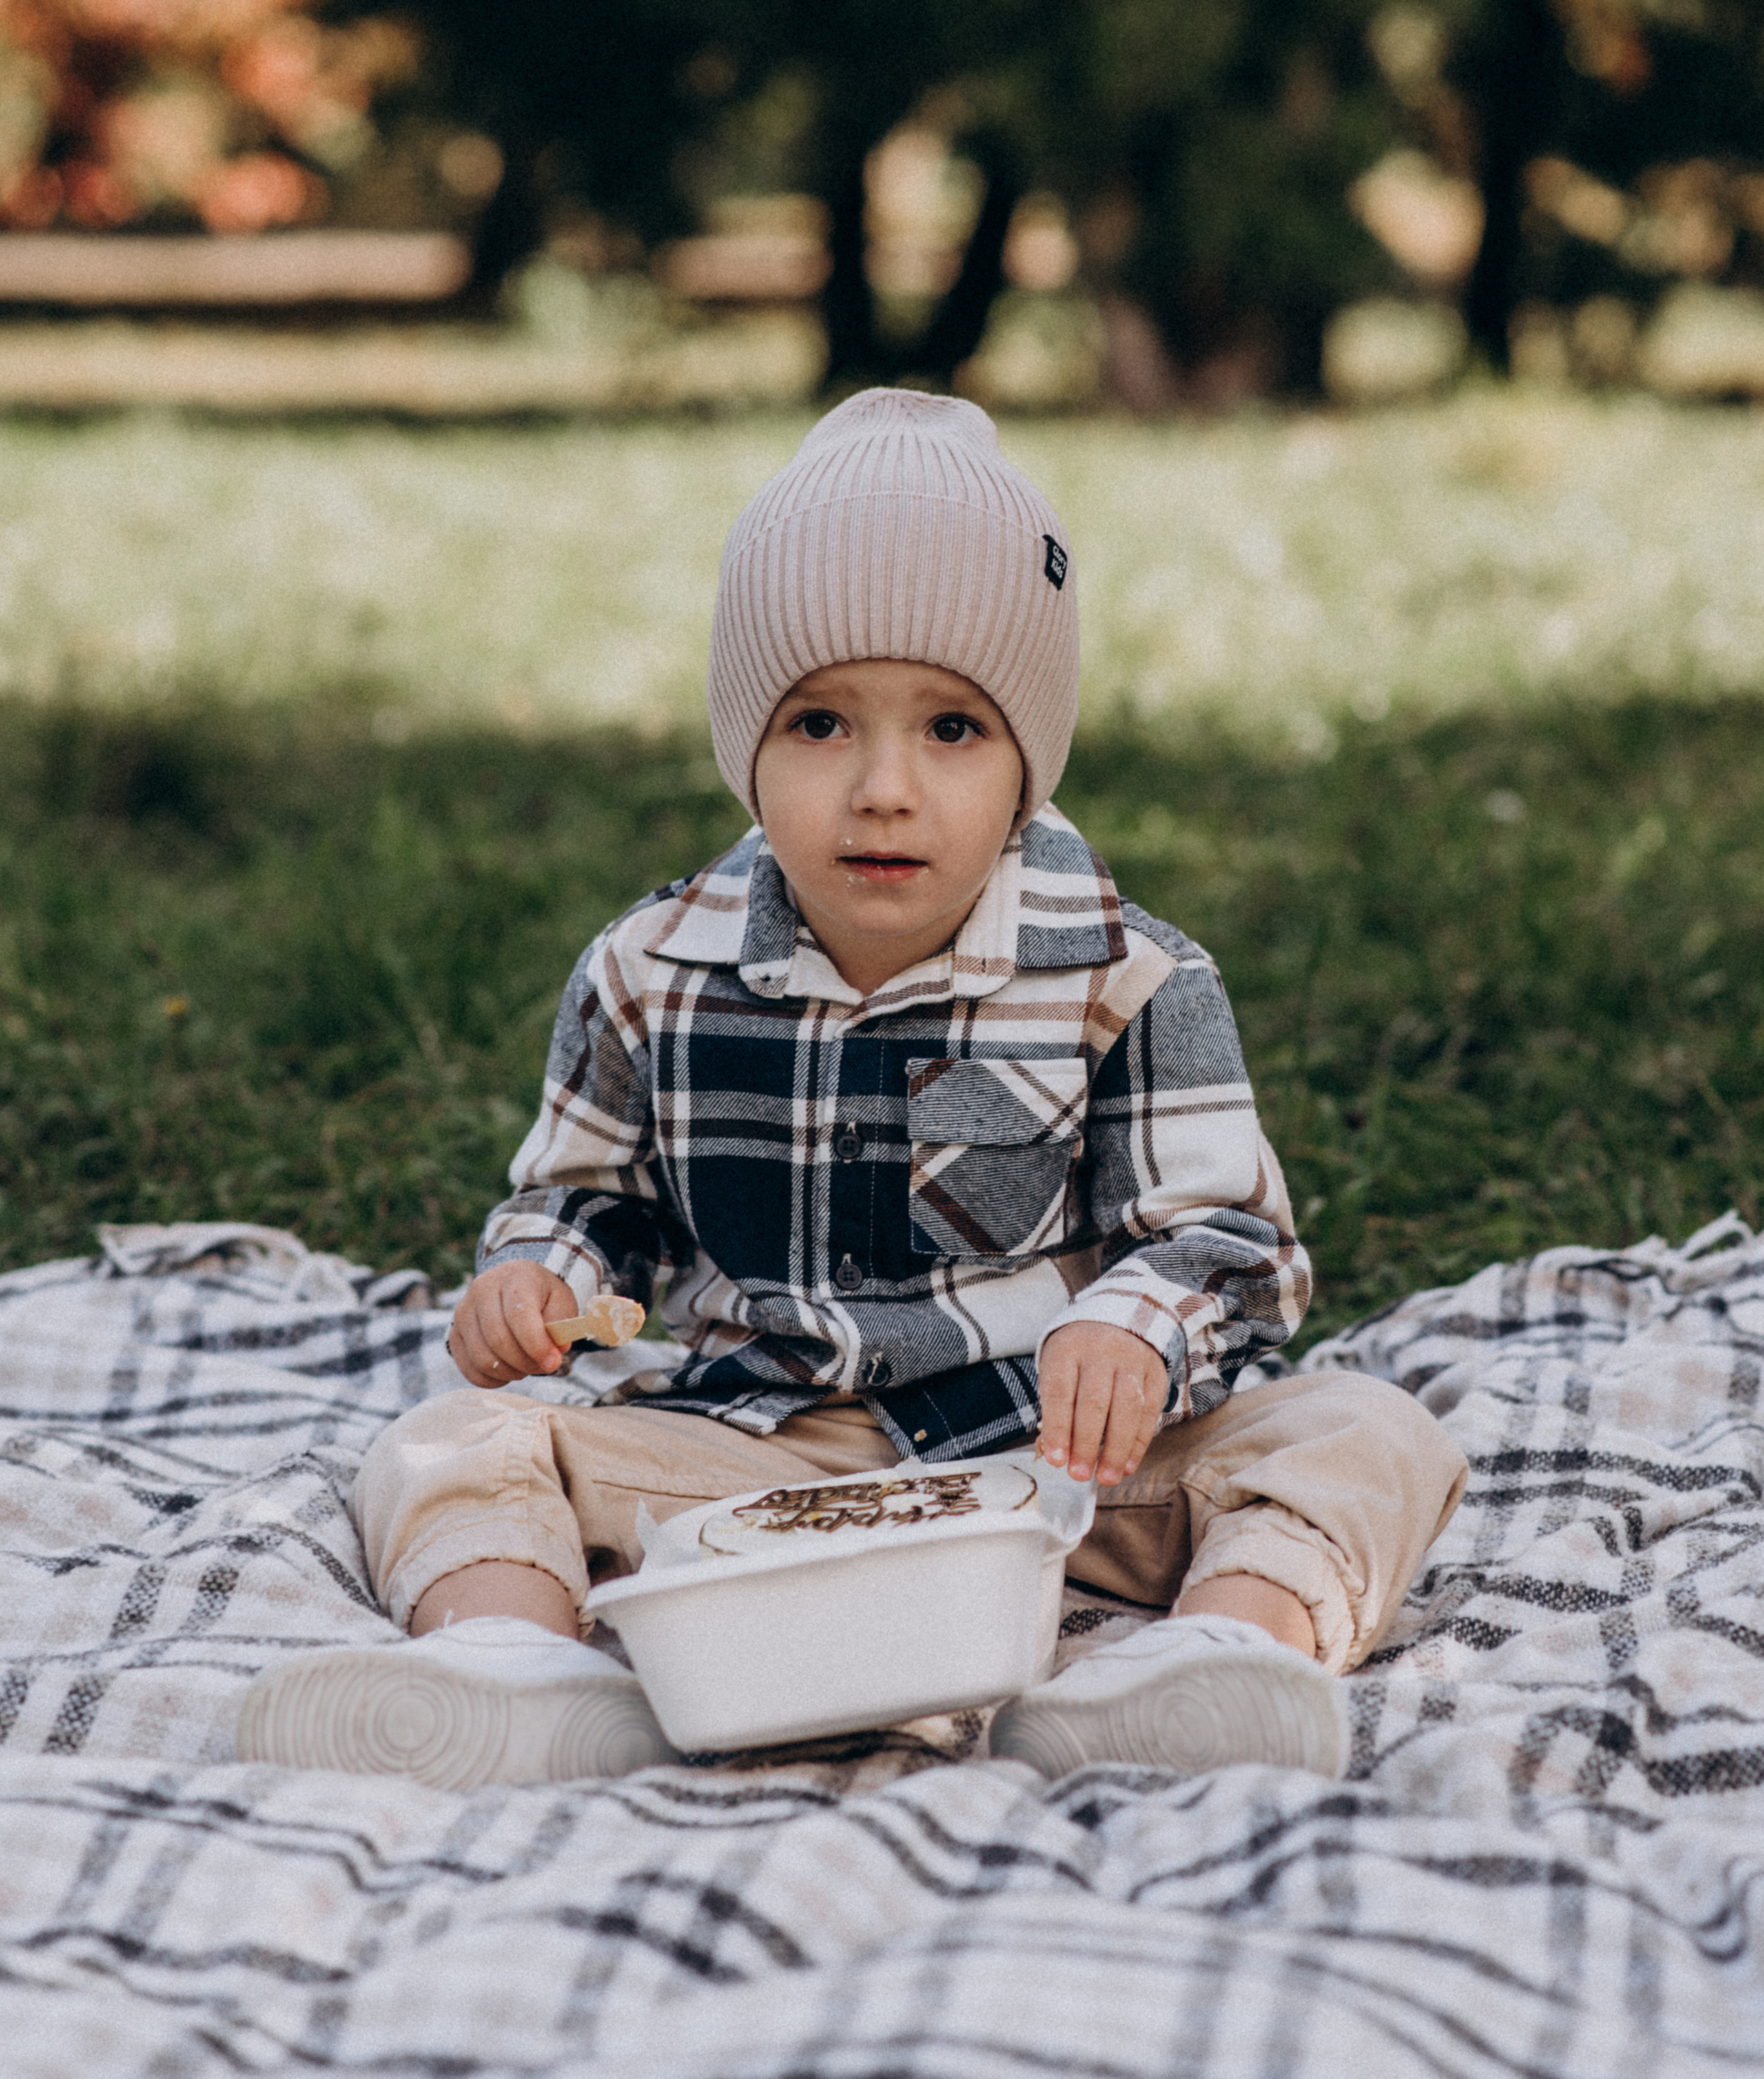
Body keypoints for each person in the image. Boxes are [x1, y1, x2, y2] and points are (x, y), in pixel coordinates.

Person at [239, 389, 1466, 1788]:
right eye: (820, 723)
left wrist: (1135, 1326)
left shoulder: (1129, 977)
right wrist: (541, 1276)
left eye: (951, 729)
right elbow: (591, 1204)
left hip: (1059, 1471)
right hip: (757, 1471)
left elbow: (1228, 1244)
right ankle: (508, 1667)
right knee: (443, 1440)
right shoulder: (650, 971)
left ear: (1025, 763)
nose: (883, 788)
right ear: (745, 747)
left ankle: (1217, 1659)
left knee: (1366, 1433)